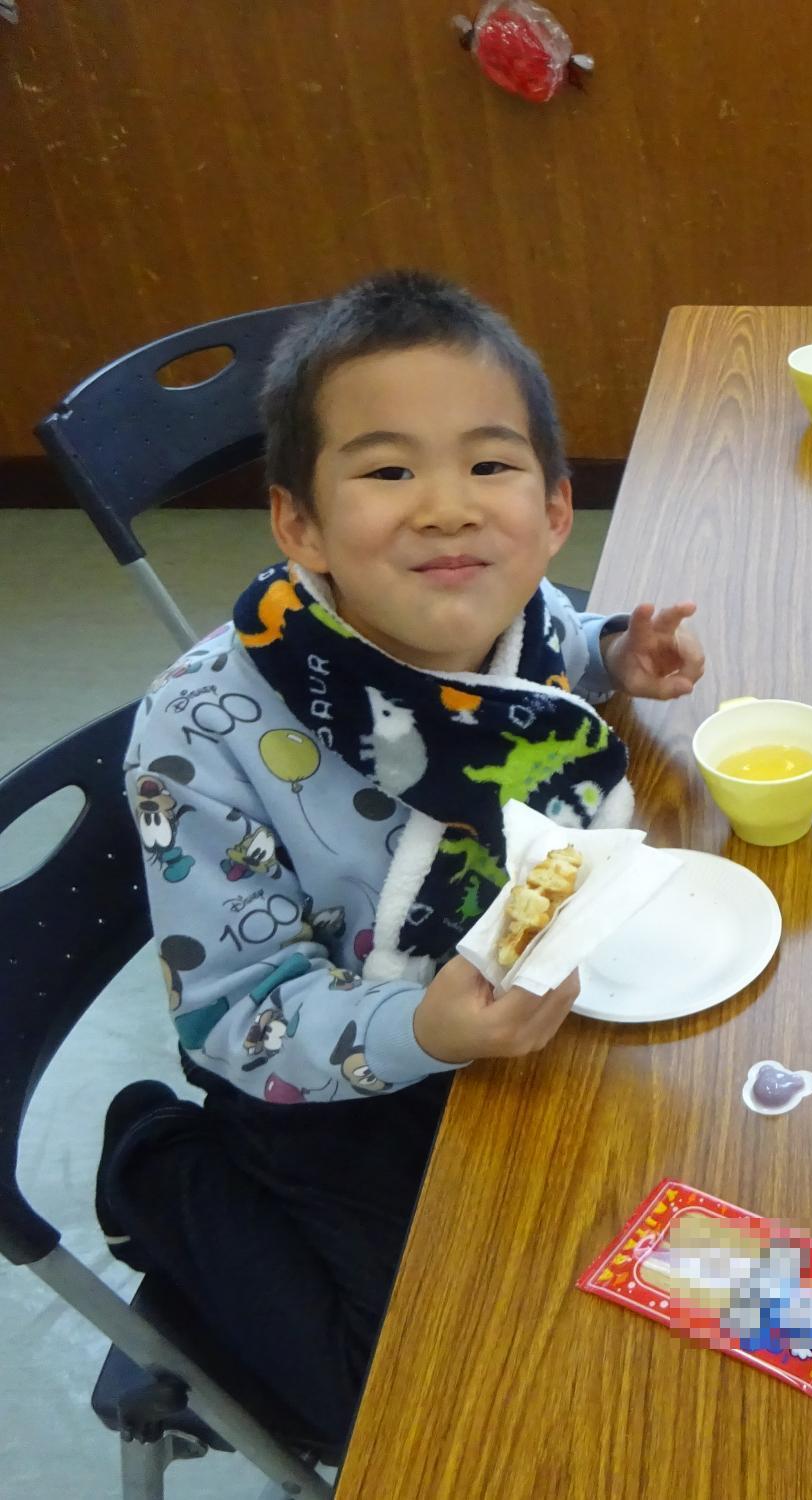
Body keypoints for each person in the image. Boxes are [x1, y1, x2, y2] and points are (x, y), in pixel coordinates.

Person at [97, 269, 707, 1448]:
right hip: (320, 1079)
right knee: (406, 1408)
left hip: (493, 1015)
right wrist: (418, 1036)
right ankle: (155, 1167)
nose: (446, 510)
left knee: (612, 1271)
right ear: (298, 526)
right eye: (387, 471)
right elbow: (236, 1013)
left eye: (489, 467)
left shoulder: (502, 606)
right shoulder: (197, 737)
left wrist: (613, 651)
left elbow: (531, 664)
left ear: (552, 512)